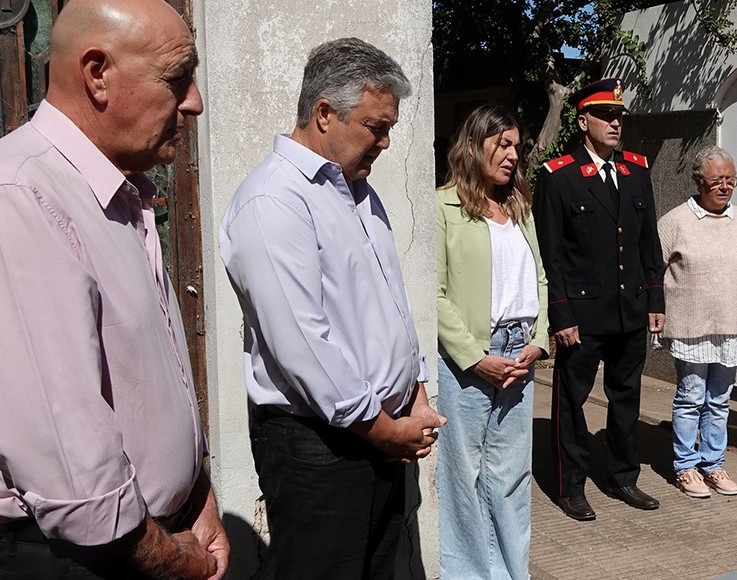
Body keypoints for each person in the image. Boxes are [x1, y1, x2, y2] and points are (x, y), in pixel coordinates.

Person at [0, 0, 228, 577]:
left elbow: (147, 378)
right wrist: (172, 560)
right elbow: (75, 474)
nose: (195, 101)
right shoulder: (23, 197)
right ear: (97, 74)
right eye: (177, 78)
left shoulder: (118, 192)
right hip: (83, 557)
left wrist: (196, 495)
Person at [219, 38, 446, 579]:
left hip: (379, 432)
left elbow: (389, 305)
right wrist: (381, 427)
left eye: (389, 128)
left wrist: (414, 391)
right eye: (375, 127)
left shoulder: (359, 193)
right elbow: (302, 343)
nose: (386, 142)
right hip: (321, 447)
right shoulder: (273, 200)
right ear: (324, 113)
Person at [533, 78, 665, 521]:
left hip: (630, 309)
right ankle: (570, 485)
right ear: (582, 121)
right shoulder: (559, 176)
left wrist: (655, 300)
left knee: (626, 399)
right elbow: (550, 255)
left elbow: (648, 243)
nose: (615, 123)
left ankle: (623, 477)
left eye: (619, 116)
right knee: (571, 403)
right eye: (605, 115)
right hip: (583, 315)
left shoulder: (636, 170)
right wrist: (560, 314)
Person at [436, 105, 549, 579]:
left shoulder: (519, 208)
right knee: (462, 477)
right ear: (472, 145)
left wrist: (539, 341)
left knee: (511, 475)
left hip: (520, 352)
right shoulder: (443, 207)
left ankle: (512, 572)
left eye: (516, 146)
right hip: (467, 359)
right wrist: (474, 358)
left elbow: (540, 277)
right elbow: (435, 294)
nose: (512, 155)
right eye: (502, 144)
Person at [656, 146, 737, 498]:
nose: (725, 187)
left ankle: (713, 464)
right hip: (692, 326)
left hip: (733, 324)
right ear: (699, 181)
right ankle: (685, 467)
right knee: (690, 396)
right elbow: (653, 270)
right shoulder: (674, 221)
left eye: (731, 179)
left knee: (720, 399)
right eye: (717, 180)